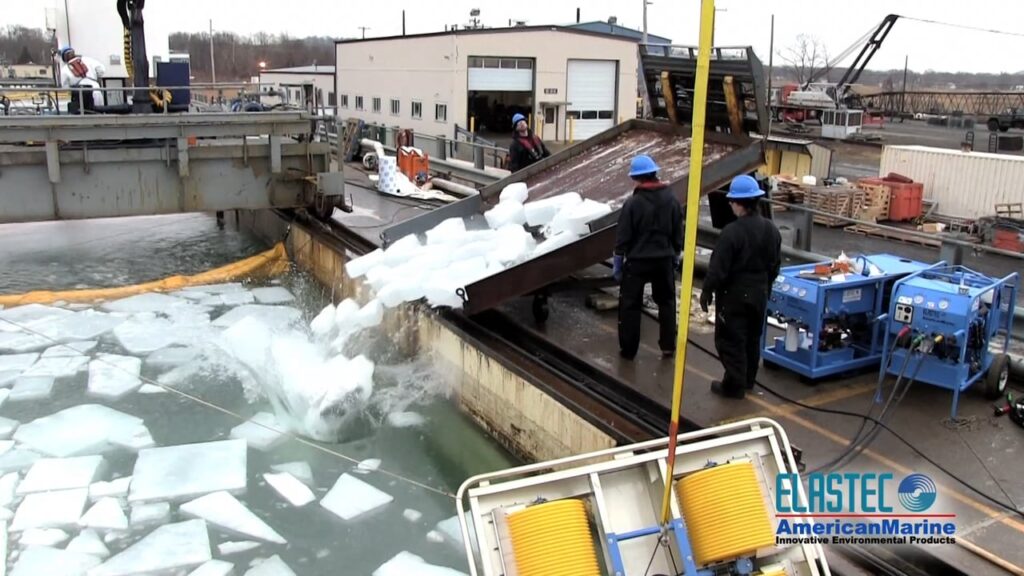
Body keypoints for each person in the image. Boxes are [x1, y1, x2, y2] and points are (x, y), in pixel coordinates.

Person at [700, 175, 782, 399]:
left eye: (732, 201)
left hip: (734, 296)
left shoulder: (732, 233)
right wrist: (766, 286)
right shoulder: (771, 230)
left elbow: (718, 267)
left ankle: (734, 385)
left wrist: (707, 291)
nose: (730, 205)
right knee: (752, 338)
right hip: (759, 294)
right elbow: (775, 265)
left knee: (730, 340)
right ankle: (747, 380)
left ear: (738, 203)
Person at [613, 154, 683, 360]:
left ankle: (628, 349)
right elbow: (677, 231)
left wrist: (618, 261)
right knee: (667, 303)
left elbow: (623, 236)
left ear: (636, 178)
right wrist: (675, 255)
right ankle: (668, 346)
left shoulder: (632, 204)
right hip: (663, 260)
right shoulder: (671, 199)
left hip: (637, 262)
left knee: (630, 305)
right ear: (654, 173)